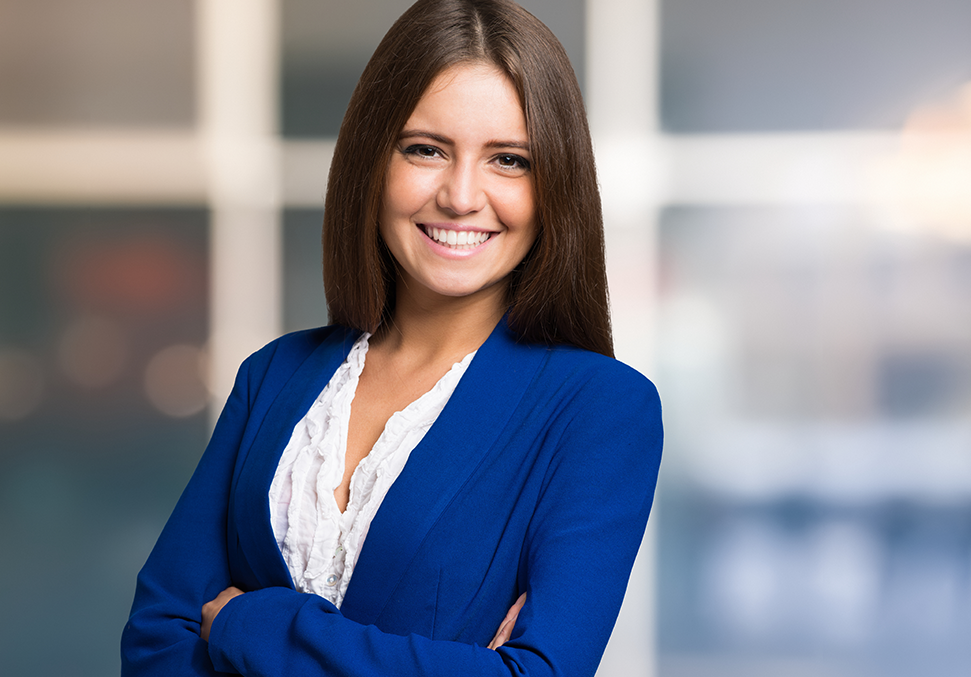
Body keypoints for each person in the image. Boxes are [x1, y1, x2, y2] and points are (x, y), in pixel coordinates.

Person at [120, 1, 663, 675]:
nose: (462, 195)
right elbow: (154, 640)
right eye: (426, 149)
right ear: (372, 162)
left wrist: (249, 621)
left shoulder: (601, 408)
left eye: (510, 159)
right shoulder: (274, 375)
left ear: (555, 184)